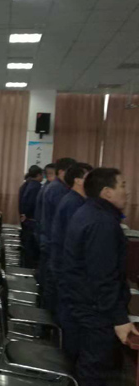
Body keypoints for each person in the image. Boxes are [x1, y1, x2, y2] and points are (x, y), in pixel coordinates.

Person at [61, 168, 137, 386]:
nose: (127, 191)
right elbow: (103, 276)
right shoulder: (102, 222)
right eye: (122, 185)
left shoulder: (88, 212)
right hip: (94, 311)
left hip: (83, 304)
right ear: (107, 192)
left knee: (87, 367)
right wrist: (119, 319)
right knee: (94, 372)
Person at [51, 163, 92, 326]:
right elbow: (73, 239)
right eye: (88, 177)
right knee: (67, 315)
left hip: (62, 262)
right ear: (78, 181)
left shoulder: (75, 199)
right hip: (65, 264)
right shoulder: (74, 202)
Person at [40, 157, 76, 311]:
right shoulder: (58, 189)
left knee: (48, 283)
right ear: (62, 172)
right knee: (51, 286)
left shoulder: (56, 187)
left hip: (48, 239)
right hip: (52, 241)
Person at [19, 165, 43, 268]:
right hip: (31, 220)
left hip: (26, 219)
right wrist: (27, 214)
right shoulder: (35, 186)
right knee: (30, 249)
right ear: (38, 175)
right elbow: (30, 203)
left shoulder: (27, 184)